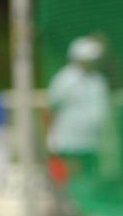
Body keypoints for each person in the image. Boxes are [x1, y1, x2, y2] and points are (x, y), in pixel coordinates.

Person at [45, 37, 109, 182]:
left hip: (93, 140)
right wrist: (51, 137)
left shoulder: (98, 80)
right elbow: (51, 107)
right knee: (72, 176)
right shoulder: (64, 79)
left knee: (90, 176)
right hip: (70, 139)